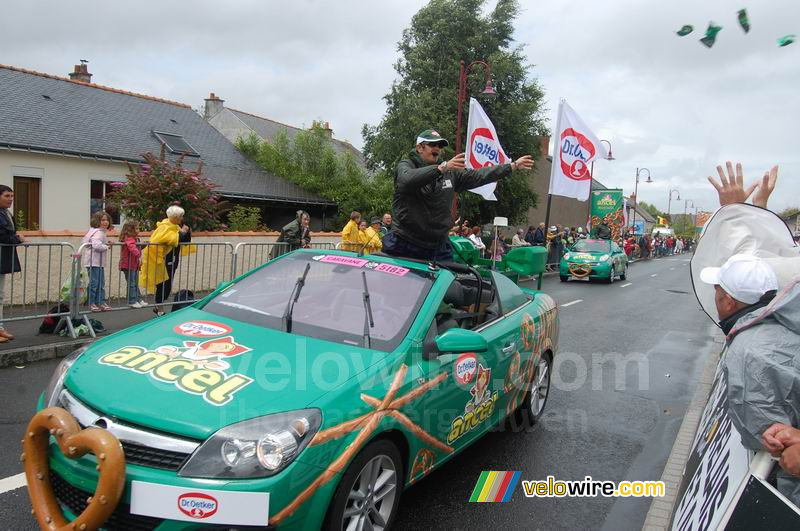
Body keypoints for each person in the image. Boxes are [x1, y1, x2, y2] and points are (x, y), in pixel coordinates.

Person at [699, 254, 800, 505]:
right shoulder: (780, 323)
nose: (715, 297)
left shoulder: (748, 352)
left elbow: (766, 436)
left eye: (717, 290)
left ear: (729, 302)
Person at [382, 128, 533, 261]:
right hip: (405, 243)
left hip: (438, 246)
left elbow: (478, 176)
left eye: (440, 146)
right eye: (433, 145)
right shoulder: (406, 165)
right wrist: (442, 168)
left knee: (451, 289)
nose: (437, 149)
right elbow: (407, 180)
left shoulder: (449, 173)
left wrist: (512, 166)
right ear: (419, 148)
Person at [141, 205, 193, 317]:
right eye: (180, 216)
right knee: (163, 285)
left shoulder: (176, 227)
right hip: (162, 260)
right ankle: (160, 309)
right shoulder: (165, 226)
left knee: (167, 286)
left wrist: (187, 231)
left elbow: (185, 241)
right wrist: (182, 233)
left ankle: (158, 306)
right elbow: (168, 240)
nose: (181, 219)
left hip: (173, 260)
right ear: (174, 217)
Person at [0, 185, 23, 342]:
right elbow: (3, 236)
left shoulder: (6, 213)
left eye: (12, 196)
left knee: (0, 296)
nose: (11, 199)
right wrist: (18, 239)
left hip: (3, 258)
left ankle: (0, 328)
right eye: (7, 196)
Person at [82, 211, 112, 312]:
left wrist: (106, 243)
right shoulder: (98, 232)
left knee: (99, 283)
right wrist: (106, 246)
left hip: (96, 262)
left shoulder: (96, 231)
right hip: (94, 262)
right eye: (103, 220)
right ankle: (93, 303)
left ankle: (99, 302)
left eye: (107, 220)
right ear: (97, 221)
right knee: (95, 283)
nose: (106, 222)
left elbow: (96, 243)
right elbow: (97, 245)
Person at [118, 220, 145, 308]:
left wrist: (143, 245)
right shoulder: (129, 238)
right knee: (132, 283)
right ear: (130, 230)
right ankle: (132, 300)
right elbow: (131, 247)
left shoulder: (136, 238)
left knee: (135, 283)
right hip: (128, 265)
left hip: (134, 264)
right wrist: (138, 254)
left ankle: (138, 299)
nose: (138, 230)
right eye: (136, 228)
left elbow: (136, 247)